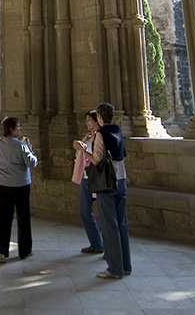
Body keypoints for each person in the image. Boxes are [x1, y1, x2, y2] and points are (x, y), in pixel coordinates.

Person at [74, 102, 130, 279]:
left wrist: (82, 149)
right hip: (121, 181)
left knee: (109, 225)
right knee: (121, 224)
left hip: (107, 184)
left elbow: (96, 160)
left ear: (99, 118)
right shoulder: (117, 131)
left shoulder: (101, 134)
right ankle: (125, 265)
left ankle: (114, 269)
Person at [0, 116, 38, 264]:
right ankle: (25, 250)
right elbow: (31, 163)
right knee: (23, 218)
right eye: (18, 127)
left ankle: (1, 251)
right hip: (20, 185)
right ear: (11, 130)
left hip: (2, 184)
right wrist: (29, 149)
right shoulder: (20, 146)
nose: (20, 129)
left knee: (3, 219)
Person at [72, 110, 103, 254]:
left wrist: (82, 149)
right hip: (86, 178)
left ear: (97, 121)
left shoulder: (101, 137)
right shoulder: (89, 137)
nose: (87, 123)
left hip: (97, 179)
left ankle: (106, 247)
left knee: (104, 214)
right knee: (84, 211)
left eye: (89, 120)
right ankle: (96, 243)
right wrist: (82, 144)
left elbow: (96, 159)